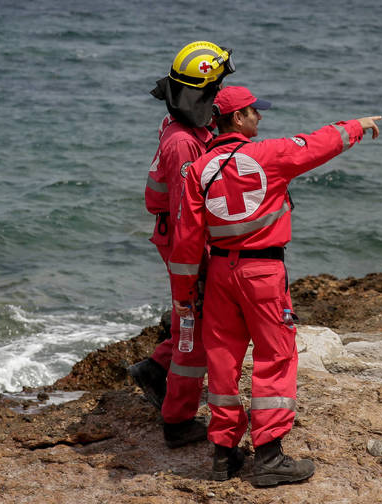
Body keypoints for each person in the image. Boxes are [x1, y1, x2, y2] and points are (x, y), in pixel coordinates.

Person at [169, 85, 381, 485]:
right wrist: (356, 125)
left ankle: (223, 455)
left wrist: (183, 295)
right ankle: (268, 457)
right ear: (237, 118)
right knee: (276, 356)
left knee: (222, 361)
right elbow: (317, 145)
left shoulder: (198, 169)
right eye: (254, 112)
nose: (260, 117)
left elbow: (185, 240)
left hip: (218, 276)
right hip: (263, 274)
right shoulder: (269, 155)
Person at [127, 41, 235, 449]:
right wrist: (198, 266)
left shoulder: (184, 126)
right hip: (181, 241)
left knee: (192, 317)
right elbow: (187, 212)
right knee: (195, 328)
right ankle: (178, 420)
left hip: (174, 233)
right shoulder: (184, 144)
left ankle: (155, 370)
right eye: (216, 87)